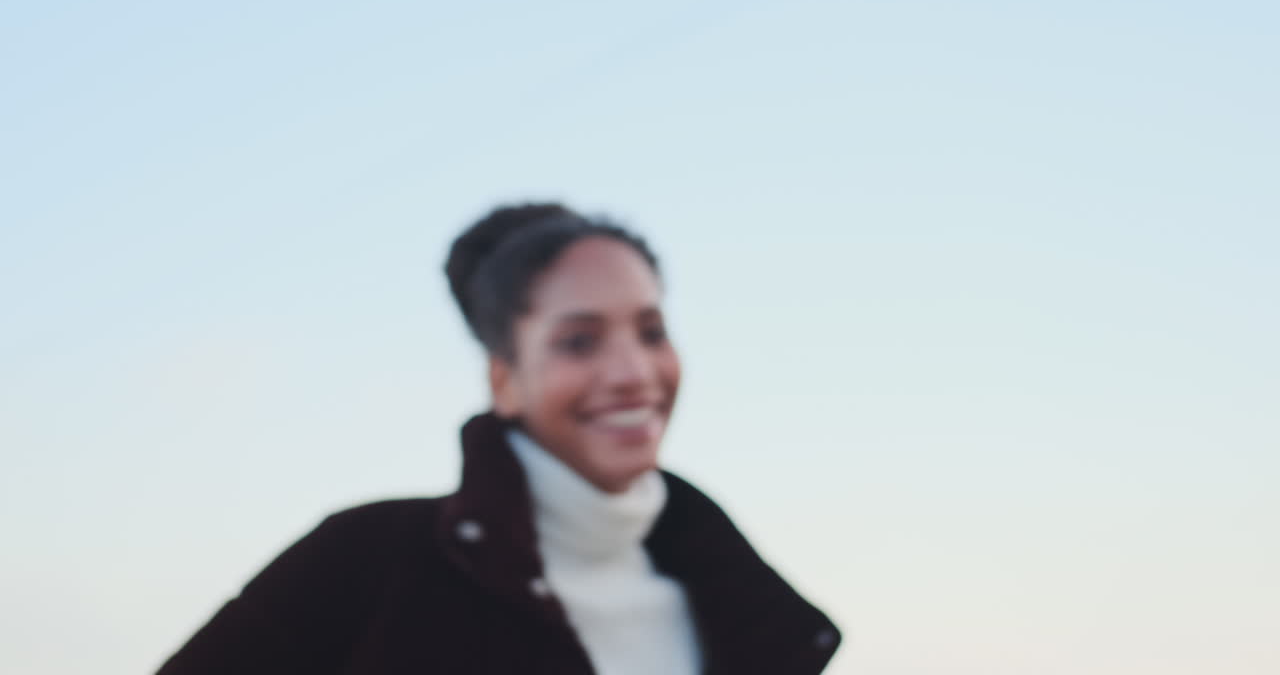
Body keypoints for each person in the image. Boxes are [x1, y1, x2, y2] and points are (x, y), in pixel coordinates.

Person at [157, 202, 841, 674]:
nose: (633, 372)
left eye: (651, 332)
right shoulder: (368, 564)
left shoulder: (733, 602)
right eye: (580, 341)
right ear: (504, 380)